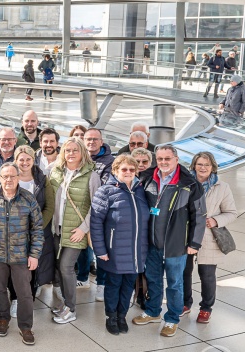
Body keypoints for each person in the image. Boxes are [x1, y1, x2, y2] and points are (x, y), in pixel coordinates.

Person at [133, 145, 205, 337]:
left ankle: (172, 318)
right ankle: (153, 311)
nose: (163, 162)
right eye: (160, 159)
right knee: (154, 279)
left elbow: (199, 216)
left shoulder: (189, 184)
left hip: (176, 244)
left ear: (176, 159)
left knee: (174, 283)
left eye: (167, 159)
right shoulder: (147, 178)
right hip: (152, 242)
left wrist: (194, 244)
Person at [0, 163, 43, 345]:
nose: (9, 180)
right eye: (5, 176)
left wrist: (34, 254)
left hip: (21, 256)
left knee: (24, 293)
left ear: (18, 177)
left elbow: (38, 229)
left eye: (12, 176)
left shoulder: (28, 199)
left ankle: (26, 327)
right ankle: (3, 319)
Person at [90, 155, 149, 335]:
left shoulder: (141, 191)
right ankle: (111, 317)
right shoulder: (105, 191)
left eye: (132, 169)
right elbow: (96, 223)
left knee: (128, 285)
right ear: (115, 171)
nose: (128, 172)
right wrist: (100, 250)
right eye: (124, 169)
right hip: (114, 250)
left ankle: (122, 315)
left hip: (136, 251)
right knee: (114, 284)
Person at [45, 139, 101, 324]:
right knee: (58, 267)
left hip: (76, 231)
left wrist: (83, 229)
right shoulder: (55, 171)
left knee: (66, 267)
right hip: (56, 229)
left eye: (75, 150)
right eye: (67, 150)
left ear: (82, 152)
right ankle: (64, 304)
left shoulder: (91, 176)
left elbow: (96, 206)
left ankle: (71, 309)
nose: (70, 154)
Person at [183, 152, 236, 323]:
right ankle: (185, 303)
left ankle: (206, 307)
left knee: (207, 274)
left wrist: (215, 220)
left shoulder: (222, 187)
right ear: (194, 166)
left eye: (206, 164)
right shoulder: (185, 183)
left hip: (208, 236)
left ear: (212, 167)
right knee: (184, 271)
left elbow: (231, 213)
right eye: (199, 164)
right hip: (186, 234)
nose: (203, 168)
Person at [15, 146, 53, 299]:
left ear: (33, 160)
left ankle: (29, 295)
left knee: (32, 264)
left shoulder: (42, 180)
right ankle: (16, 298)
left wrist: (36, 227)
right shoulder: (10, 177)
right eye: (21, 159)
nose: (24, 163)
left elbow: (49, 207)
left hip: (36, 231)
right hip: (15, 231)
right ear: (15, 160)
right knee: (17, 266)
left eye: (28, 159)